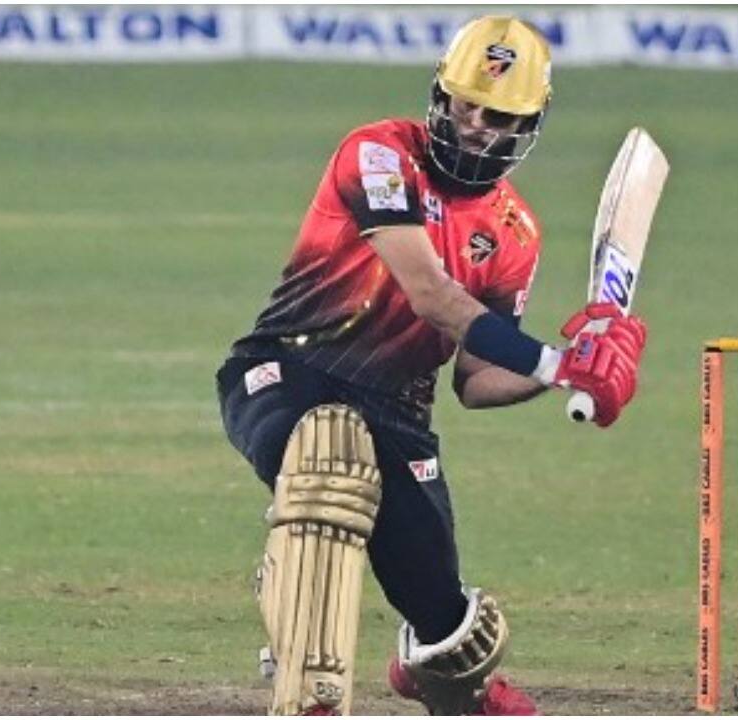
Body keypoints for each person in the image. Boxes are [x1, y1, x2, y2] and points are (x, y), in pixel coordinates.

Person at [214, 15, 648, 716]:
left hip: (400, 412)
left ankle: (441, 682)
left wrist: (575, 372)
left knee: (454, 636)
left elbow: (477, 380)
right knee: (329, 458)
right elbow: (431, 294)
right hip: (290, 372)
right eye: (466, 103)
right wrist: (560, 361)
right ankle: (309, 684)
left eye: (500, 114)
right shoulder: (380, 154)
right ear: (441, 98)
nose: (477, 123)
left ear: (528, 123)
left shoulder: (514, 234)